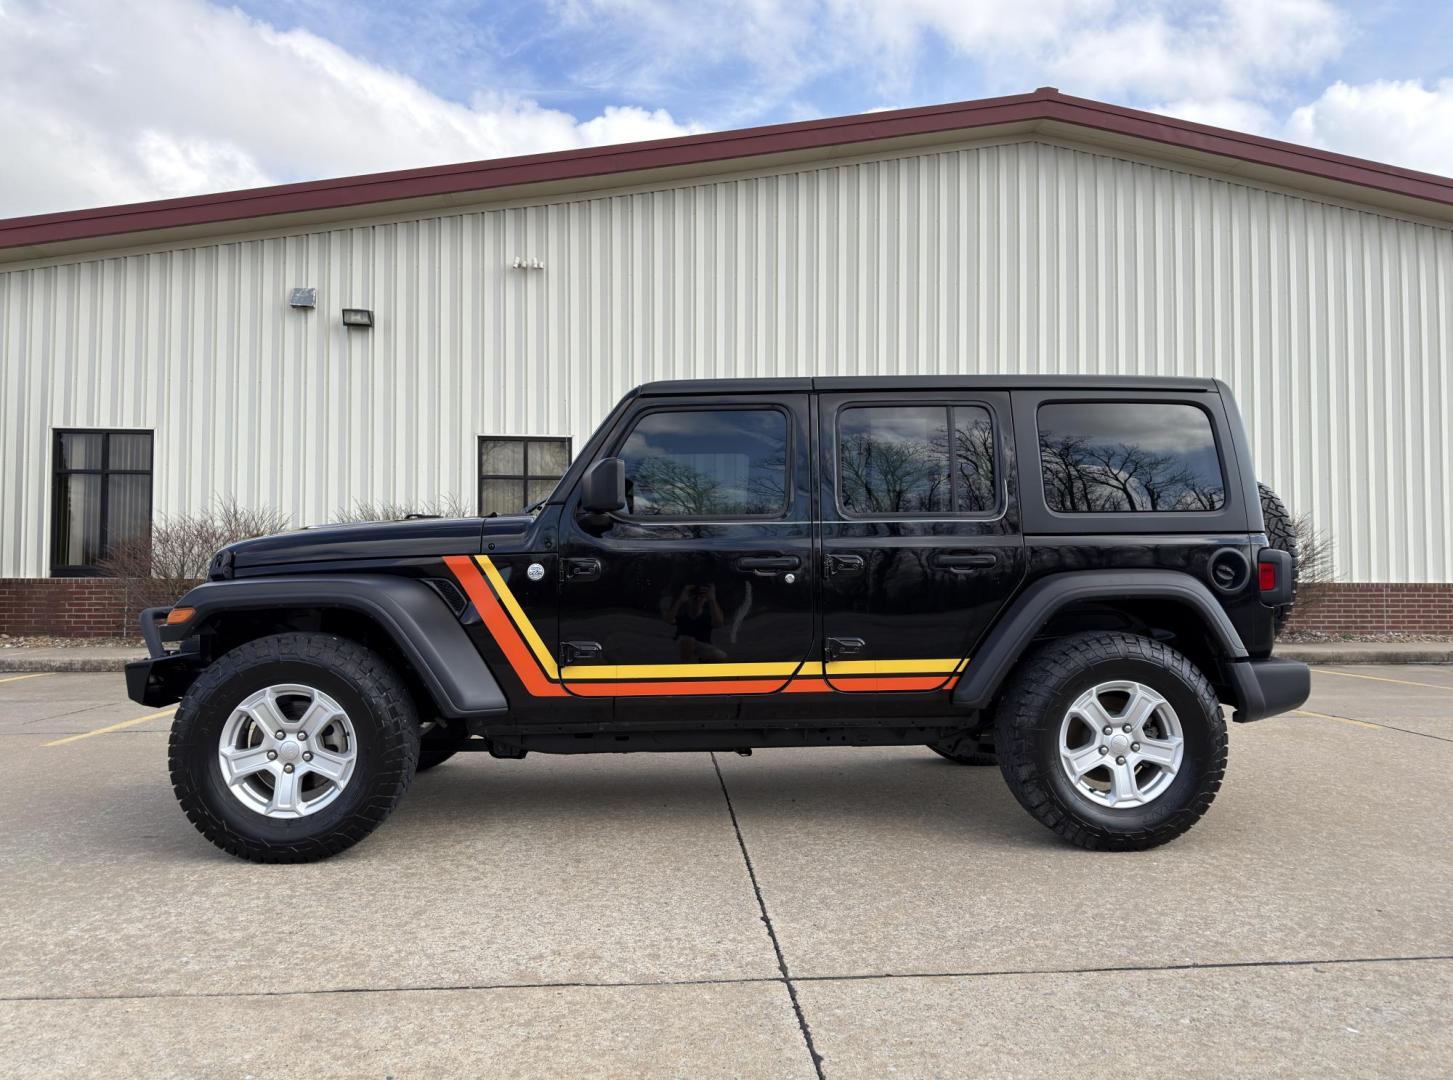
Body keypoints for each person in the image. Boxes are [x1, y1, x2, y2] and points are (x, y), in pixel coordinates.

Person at [667, 582, 728, 661]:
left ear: (705, 600)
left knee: (722, 656)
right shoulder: (682, 615)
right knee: (687, 640)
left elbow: (719, 624)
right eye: (694, 597)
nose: (698, 599)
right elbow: (669, 620)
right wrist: (680, 600)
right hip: (683, 645)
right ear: (688, 599)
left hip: (703, 645)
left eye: (701, 597)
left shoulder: (708, 616)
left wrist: (712, 600)